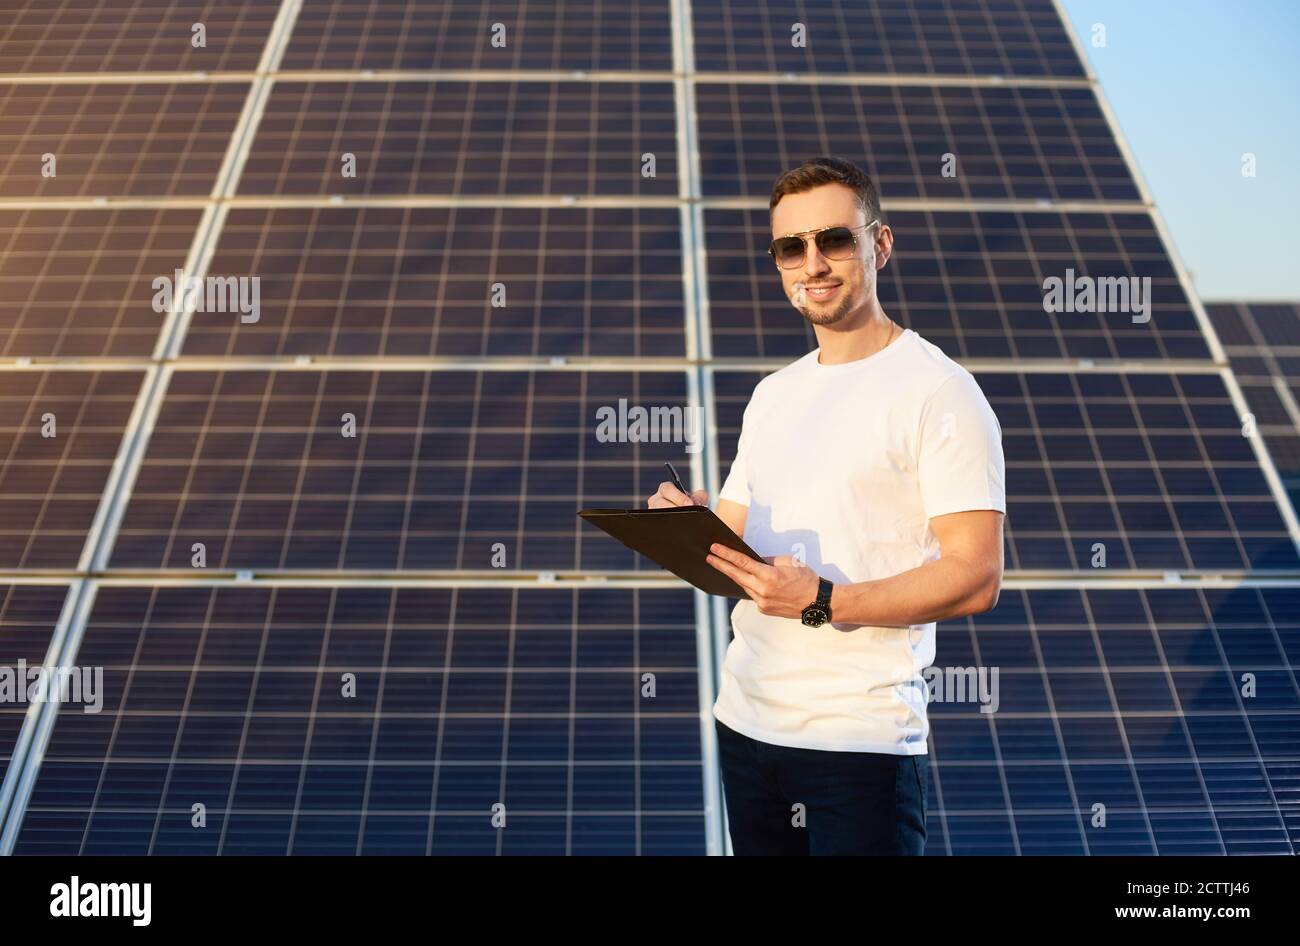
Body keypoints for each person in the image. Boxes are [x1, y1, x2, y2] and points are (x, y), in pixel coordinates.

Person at [648, 156, 1006, 855]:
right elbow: (737, 552)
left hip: (857, 745)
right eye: (791, 247)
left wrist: (822, 600)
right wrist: (686, 531)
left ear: (880, 243)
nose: (813, 262)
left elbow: (976, 576)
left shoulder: (940, 393)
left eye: (834, 240)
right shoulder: (773, 395)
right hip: (747, 726)